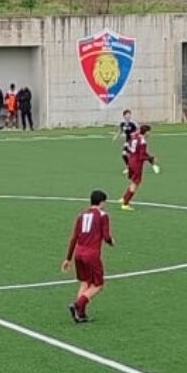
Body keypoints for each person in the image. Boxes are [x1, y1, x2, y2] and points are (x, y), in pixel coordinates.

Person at [62, 190, 115, 323]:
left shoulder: (81, 215)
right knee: (98, 285)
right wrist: (111, 241)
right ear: (102, 202)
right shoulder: (103, 215)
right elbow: (106, 236)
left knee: (85, 281)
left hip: (78, 253)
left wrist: (68, 258)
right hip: (91, 254)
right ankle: (77, 305)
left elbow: (74, 237)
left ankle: (81, 314)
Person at [120, 125, 158, 211]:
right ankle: (125, 203)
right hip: (137, 163)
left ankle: (124, 198)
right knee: (136, 183)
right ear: (146, 132)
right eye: (149, 132)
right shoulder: (143, 142)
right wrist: (151, 158)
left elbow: (130, 148)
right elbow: (141, 156)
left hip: (131, 161)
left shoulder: (135, 137)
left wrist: (149, 157)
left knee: (134, 181)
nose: (150, 133)